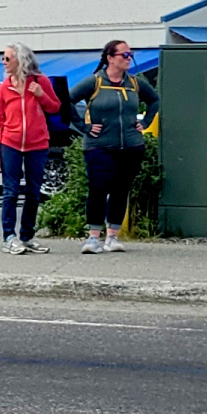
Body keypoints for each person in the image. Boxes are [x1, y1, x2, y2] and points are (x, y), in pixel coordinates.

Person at [71, 39, 156, 254]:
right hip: (99, 145)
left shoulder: (135, 83)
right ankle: (93, 237)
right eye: (124, 55)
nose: (129, 59)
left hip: (131, 145)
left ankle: (112, 236)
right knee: (98, 188)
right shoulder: (95, 82)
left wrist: (145, 122)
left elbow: (155, 100)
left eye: (130, 55)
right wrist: (84, 127)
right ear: (110, 58)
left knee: (121, 189)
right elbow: (67, 101)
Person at [0, 43, 61, 255]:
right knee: (10, 192)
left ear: (20, 60)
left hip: (37, 143)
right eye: (3, 58)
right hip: (10, 143)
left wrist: (40, 94)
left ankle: (27, 236)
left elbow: (55, 107)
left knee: (33, 192)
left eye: (7, 58)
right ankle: (9, 237)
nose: (3, 62)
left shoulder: (40, 81)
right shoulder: (3, 89)